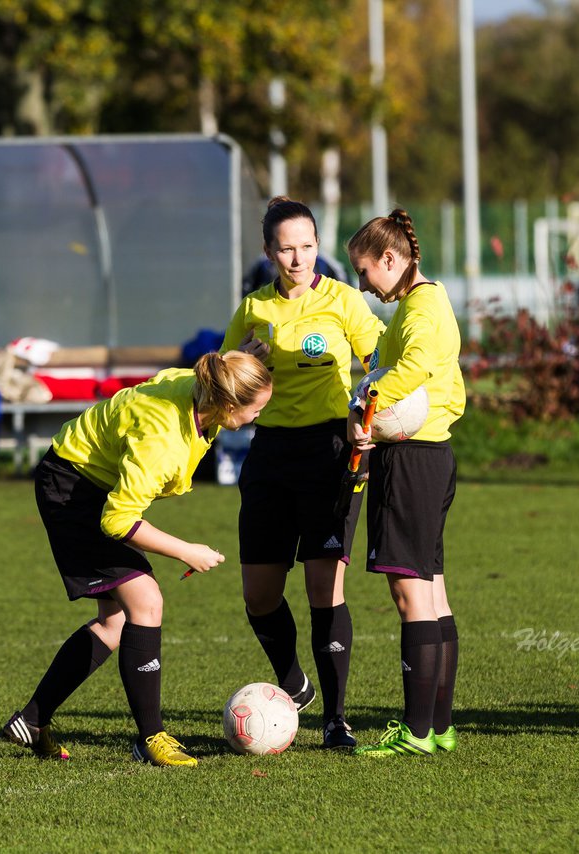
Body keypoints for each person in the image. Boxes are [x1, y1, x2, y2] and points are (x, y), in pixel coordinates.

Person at [2, 351, 272, 767]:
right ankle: (151, 738)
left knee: (115, 621)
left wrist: (252, 356)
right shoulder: (162, 437)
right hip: (73, 489)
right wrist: (187, 551)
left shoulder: (204, 388)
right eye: (255, 409)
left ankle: (33, 720)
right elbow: (118, 521)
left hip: (90, 480)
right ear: (227, 403)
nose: (258, 416)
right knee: (145, 601)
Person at [222, 196, 385, 749]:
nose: (298, 259)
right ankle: (293, 681)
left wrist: (370, 418)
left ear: (319, 245)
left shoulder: (342, 301)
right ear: (269, 251)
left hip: (331, 455)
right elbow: (224, 390)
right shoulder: (252, 310)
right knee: (259, 596)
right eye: (287, 249)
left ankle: (336, 719)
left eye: (308, 246)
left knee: (324, 587)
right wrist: (244, 361)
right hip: (269, 456)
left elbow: (382, 368)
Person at [345, 208, 466, 758]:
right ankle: (437, 727)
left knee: (409, 591)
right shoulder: (426, 300)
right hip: (431, 456)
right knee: (432, 588)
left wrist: (364, 407)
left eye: (365, 271)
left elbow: (413, 368)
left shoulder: (421, 308)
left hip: (413, 460)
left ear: (391, 260)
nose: (363, 284)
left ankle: (416, 730)